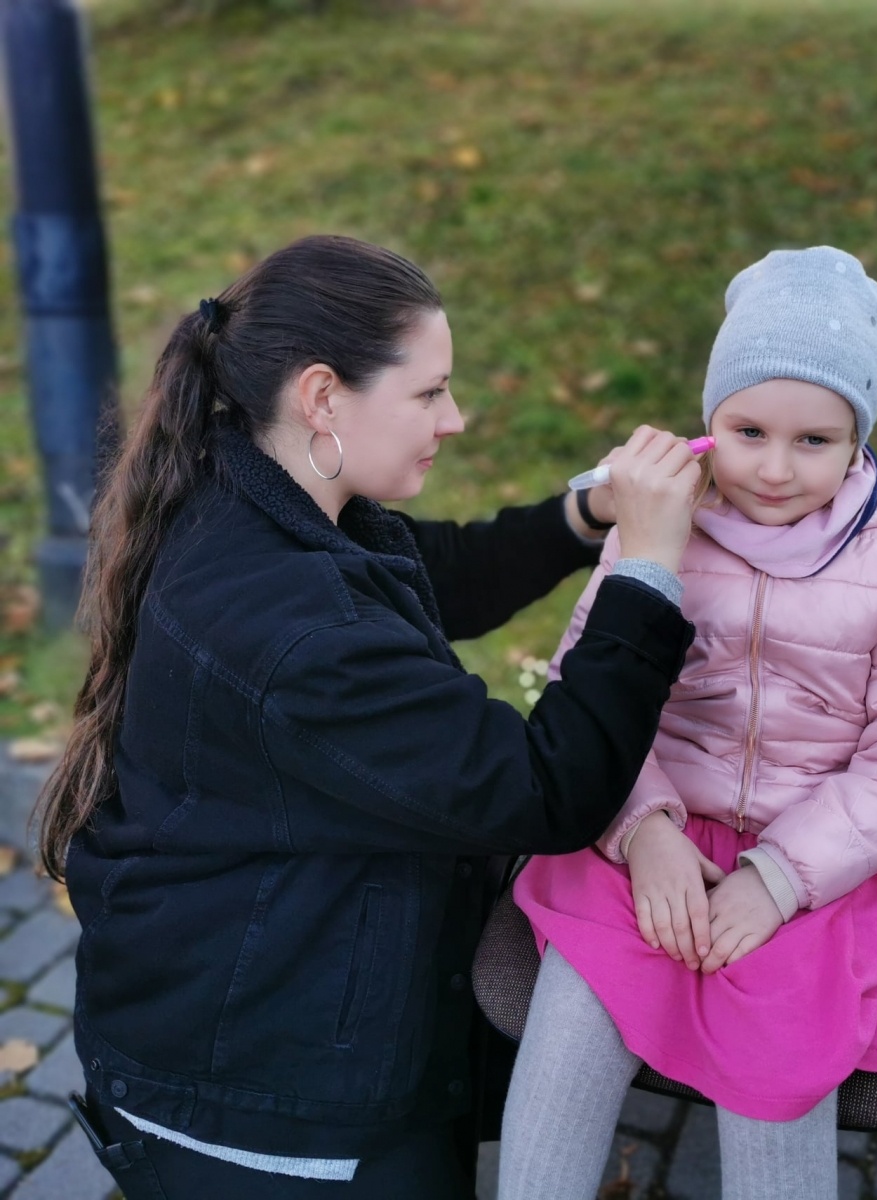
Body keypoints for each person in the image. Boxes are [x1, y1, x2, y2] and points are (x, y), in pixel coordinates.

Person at [34, 234, 705, 1199]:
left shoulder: (261, 491)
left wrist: (587, 514)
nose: (457, 418)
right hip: (262, 1100)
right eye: (429, 393)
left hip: (246, 1000)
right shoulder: (298, 629)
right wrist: (647, 570)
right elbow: (546, 788)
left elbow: (439, 579)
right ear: (321, 396)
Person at [498, 247, 877, 1200]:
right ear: (707, 424)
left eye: (815, 441)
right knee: (569, 1032)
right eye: (748, 429)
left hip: (812, 863)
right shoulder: (654, 529)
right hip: (644, 831)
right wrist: (645, 832)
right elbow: (585, 691)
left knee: (782, 1068)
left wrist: (781, 877)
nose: (775, 468)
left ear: (858, 440)